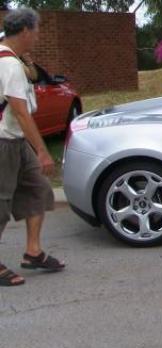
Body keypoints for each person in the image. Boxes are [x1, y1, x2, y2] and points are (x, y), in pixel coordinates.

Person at [0, 8, 65, 287]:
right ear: (25, 31)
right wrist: (41, 150)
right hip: (4, 141)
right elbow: (21, 112)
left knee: (38, 189)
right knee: (1, 203)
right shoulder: (9, 65)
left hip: (15, 139)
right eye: (36, 30)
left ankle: (33, 252)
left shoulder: (12, 58)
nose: (38, 36)